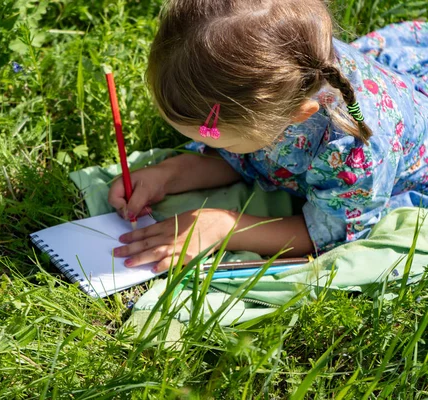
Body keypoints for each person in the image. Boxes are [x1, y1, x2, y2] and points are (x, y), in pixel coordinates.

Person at [109, 0, 428, 273]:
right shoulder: (283, 76)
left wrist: (222, 227)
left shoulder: (353, 153)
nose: (211, 147)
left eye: (221, 141)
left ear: (297, 115)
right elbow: (242, 155)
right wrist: (168, 176)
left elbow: (330, 231)